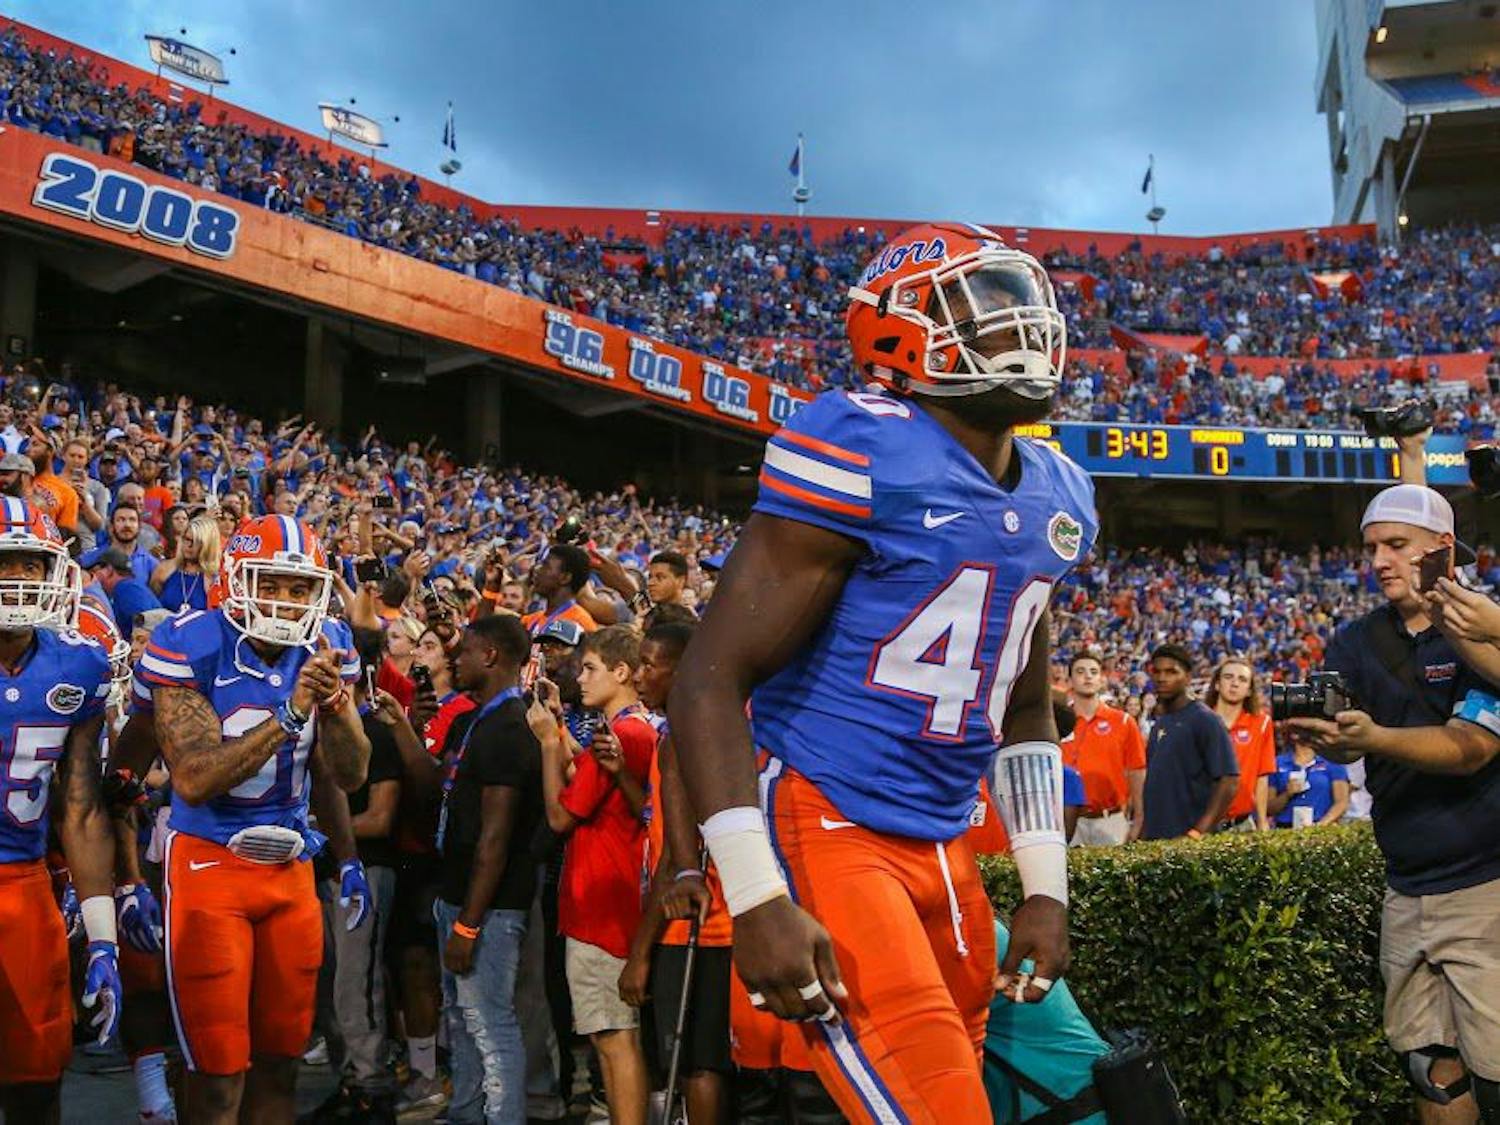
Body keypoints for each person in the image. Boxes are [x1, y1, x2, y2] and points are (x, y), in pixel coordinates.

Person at [669, 224, 1097, 1120]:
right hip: (829, 816)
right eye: (982, 309)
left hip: (944, 842)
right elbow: (709, 674)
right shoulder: (862, 444)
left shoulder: (1058, 487)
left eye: (1023, 302)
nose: (1019, 326)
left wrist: (1046, 888)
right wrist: (753, 894)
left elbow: (1025, 712)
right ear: (898, 333)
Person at [138, 513, 371, 1123]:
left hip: (290, 868)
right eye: (273, 584)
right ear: (238, 578)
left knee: (281, 1062)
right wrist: (292, 714)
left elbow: (347, 775)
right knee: (216, 1073)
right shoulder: (188, 640)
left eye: (300, 589)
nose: (288, 603)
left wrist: (339, 707)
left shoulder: (329, 645)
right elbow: (193, 776)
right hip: (210, 864)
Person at [1290, 484, 1500, 1122]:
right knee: (1429, 1067)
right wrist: (1323, 740)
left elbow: (1472, 749)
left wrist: (1376, 736)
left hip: (1483, 884)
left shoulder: (1477, 630)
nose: (1380, 559)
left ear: (1441, 550)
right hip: (1405, 884)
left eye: (1396, 545)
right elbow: (1347, 755)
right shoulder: (1356, 641)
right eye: (1372, 546)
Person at [0, 499, 121, 1122]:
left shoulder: (77, 663)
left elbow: (81, 808)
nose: (18, 578)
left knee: (36, 1082)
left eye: (30, 563)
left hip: (22, 887)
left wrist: (102, 939)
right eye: (4, 562)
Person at [533, 625, 656, 1125]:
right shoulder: (636, 727)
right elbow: (583, 773)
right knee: (616, 1037)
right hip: (615, 901)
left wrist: (546, 743)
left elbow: (562, 815)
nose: (580, 678)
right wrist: (561, 728)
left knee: (613, 1040)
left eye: (590, 668)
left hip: (601, 908)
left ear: (622, 672)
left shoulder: (624, 733)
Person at [617, 620, 736, 1124]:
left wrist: (640, 953)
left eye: (650, 664)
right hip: (713, 924)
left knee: (696, 1066)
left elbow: (673, 857)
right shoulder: (711, 727)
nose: (641, 675)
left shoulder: (683, 738)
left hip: (697, 928)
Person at [428, 613, 545, 1124]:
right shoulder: (478, 719)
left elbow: (495, 839)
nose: (457, 658)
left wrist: (468, 923)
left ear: (492, 656)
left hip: (489, 907)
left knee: (489, 1024)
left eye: (467, 650)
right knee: (462, 1019)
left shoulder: (507, 727)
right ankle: (466, 1114)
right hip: (461, 894)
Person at [301, 627, 404, 1122]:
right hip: (323, 868)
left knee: (355, 985)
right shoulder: (311, 724)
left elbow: (381, 818)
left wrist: (316, 826)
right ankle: (348, 1081)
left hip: (364, 870)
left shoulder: (376, 730)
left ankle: (371, 1085)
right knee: (328, 985)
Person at [1139, 644, 1239, 841]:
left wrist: (1198, 832)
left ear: (1188, 677)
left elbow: (1229, 780)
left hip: (1188, 843)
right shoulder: (1161, 723)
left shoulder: (1205, 719)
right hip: (1158, 840)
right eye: (1157, 672)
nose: (1162, 678)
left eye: (1171, 672)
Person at [1063, 651, 1147, 846]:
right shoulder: (1058, 722)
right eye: (1080, 671)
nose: (1087, 676)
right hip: (1065, 821)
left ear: (1102, 680)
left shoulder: (1123, 721)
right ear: (1070, 681)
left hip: (1111, 820)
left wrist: (1140, 817)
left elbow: (1137, 771)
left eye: (1093, 671)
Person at [1205, 657, 1276, 831]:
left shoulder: (1261, 723)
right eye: (1228, 677)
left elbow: (1262, 777)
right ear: (1217, 684)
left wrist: (1262, 821)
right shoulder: (1198, 722)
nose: (1234, 683)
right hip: (1201, 823)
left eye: (1242, 679)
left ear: (1249, 690)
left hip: (1242, 824)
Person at [1268, 730, 1350, 828]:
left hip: (1321, 827)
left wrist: (1321, 825)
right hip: (1285, 828)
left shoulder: (1331, 761)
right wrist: (1287, 794)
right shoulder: (1278, 763)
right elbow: (1269, 808)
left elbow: (1342, 802)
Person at [150, 511, 223, 613]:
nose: (189, 546)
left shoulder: (214, 579)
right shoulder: (164, 570)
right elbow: (151, 609)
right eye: (187, 539)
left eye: (196, 542)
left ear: (208, 545)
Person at [522, 543, 599, 636]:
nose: (537, 570)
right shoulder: (531, 620)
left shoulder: (581, 624)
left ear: (565, 578)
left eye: (545, 566)